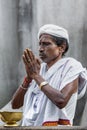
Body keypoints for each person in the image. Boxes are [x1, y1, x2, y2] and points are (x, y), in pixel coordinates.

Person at [11, 24, 87, 126]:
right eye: (40, 44)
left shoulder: (71, 67)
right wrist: (28, 78)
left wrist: (36, 76)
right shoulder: (39, 69)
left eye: (46, 44)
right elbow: (15, 105)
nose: (41, 49)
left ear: (61, 48)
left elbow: (61, 100)